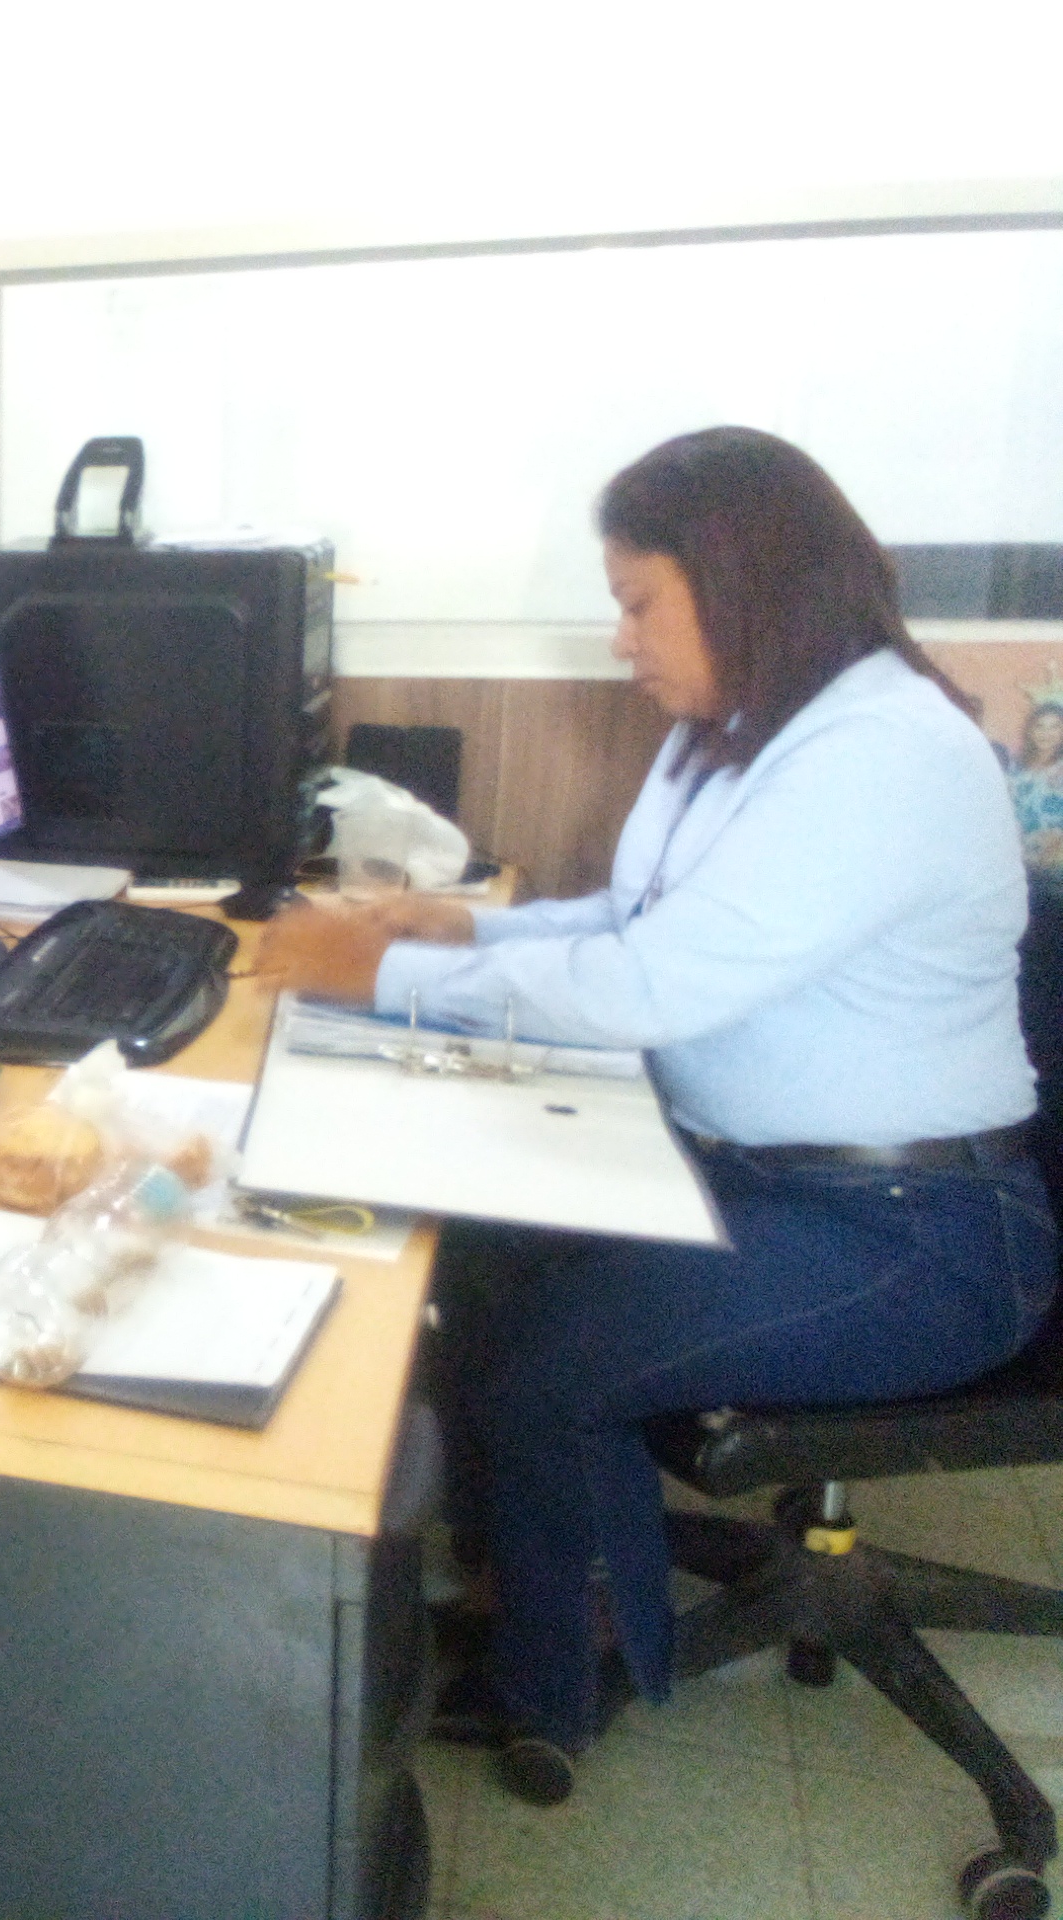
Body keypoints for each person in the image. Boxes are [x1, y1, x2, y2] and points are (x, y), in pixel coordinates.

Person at [261, 425, 1057, 1808]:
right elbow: (639, 918)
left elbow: (653, 985)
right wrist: (462, 926)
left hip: (917, 1232)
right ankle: (535, 1582)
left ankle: (556, 1683)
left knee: (548, 1368)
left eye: (639, 602)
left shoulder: (881, 754)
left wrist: (381, 975)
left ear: (739, 582)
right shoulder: (743, 733)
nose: (620, 638)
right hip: (757, 1173)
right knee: (480, 1256)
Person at [1012, 698, 1063, 886]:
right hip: (1019, 862)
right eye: (1040, 726)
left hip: (1055, 865)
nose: (1046, 733)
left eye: (1054, 727)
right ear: (1030, 731)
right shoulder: (1017, 768)